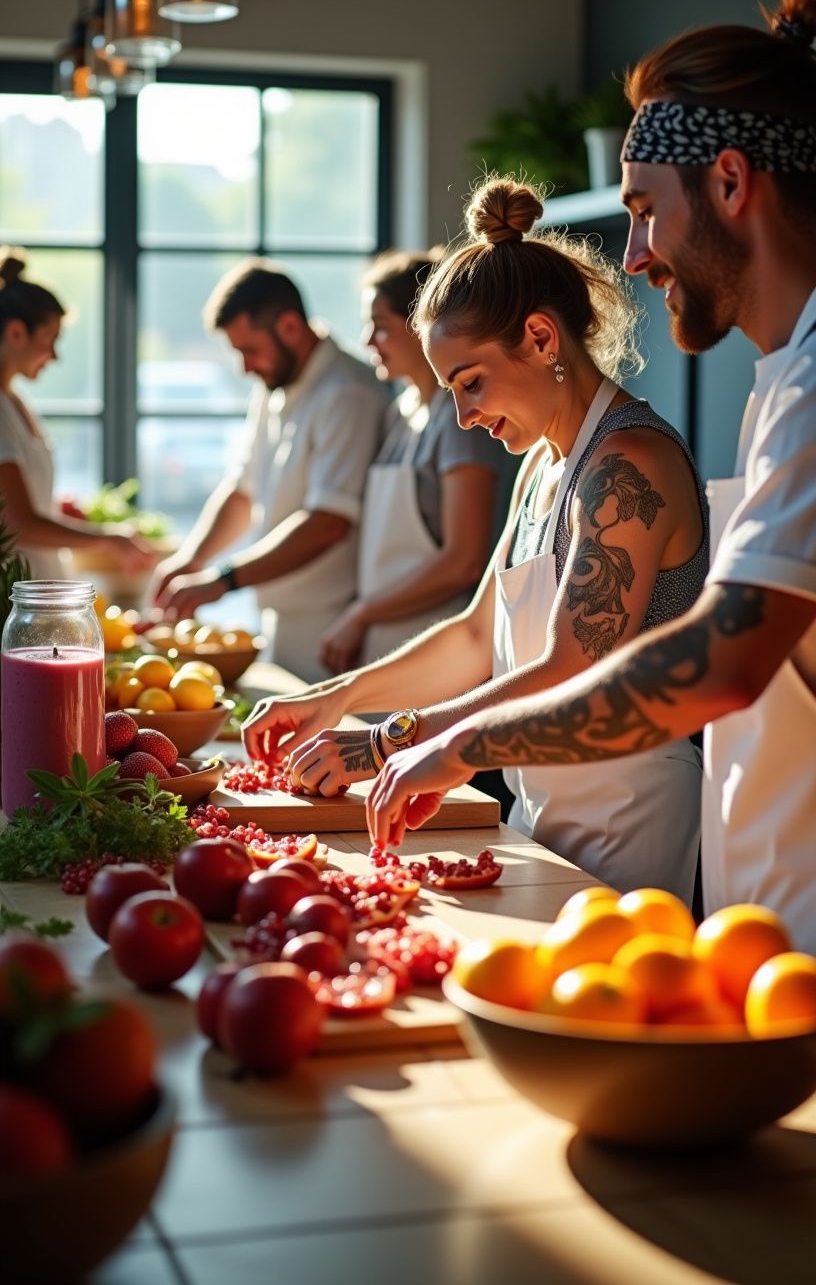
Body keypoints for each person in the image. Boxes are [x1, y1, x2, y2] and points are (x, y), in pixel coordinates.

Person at [361, 0, 816, 950]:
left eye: (646, 210)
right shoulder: (784, 379)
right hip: (763, 907)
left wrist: (445, 741)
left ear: (732, 184)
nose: (637, 255)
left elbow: (724, 661)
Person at [243, 179, 708, 902]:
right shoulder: (543, 464)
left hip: (631, 822)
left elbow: (569, 667)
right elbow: (474, 635)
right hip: (543, 812)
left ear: (542, 338)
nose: (462, 416)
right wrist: (337, 698)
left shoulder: (626, 466)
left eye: (471, 383)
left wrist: (390, 740)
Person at [150, 260, 388, 683]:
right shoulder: (274, 384)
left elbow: (328, 523)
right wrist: (192, 559)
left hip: (332, 628)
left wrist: (222, 581)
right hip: (277, 616)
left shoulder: (348, 393)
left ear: (291, 327)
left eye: (249, 350)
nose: (244, 367)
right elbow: (243, 490)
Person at [319, 250, 511, 676]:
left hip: (437, 647)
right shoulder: (399, 411)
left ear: (422, 328)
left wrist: (363, 612)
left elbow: (463, 561)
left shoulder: (459, 422)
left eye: (380, 327)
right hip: (384, 640)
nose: (368, 341)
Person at [0, 250, 156, 580]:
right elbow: (17, 521)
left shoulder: (15, 402)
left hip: (35, 595)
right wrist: (106, 538)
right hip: (15, 601)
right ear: (16, 332)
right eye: (50, 339)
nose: (54, 356)